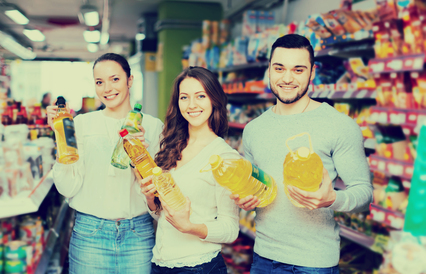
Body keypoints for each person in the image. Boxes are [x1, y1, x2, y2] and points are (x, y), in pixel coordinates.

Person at [231, 34, 373, 273]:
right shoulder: (253, 129)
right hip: (263, 257)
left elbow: (364, 193)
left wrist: (333, 199)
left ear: (312, 72)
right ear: (269, 70)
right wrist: (244, 198)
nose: (287, 78)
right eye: (279, 68)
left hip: (314, 262)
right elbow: (252, 186)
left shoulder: (339, 125)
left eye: (298, 69)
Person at [46, 53, 163, 273]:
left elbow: (158, 196)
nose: (107, 88)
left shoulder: (153, 126)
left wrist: (140, 155)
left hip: (138, 235)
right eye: (100, 82)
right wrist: (61, 137)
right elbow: (67, 188)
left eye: (115, 79)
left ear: (130, 80)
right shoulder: (80, 124)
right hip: (90, 235)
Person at [138, 66, 240, 273]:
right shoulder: (170, 145)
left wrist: (190, 227)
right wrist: (150, 199)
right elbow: (164, 215)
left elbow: (230, 230)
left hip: (199, 266)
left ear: (214, 99)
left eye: (200, 96)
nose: (191, 105)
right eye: (184, 97)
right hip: (160, 262)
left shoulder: (225, 157)